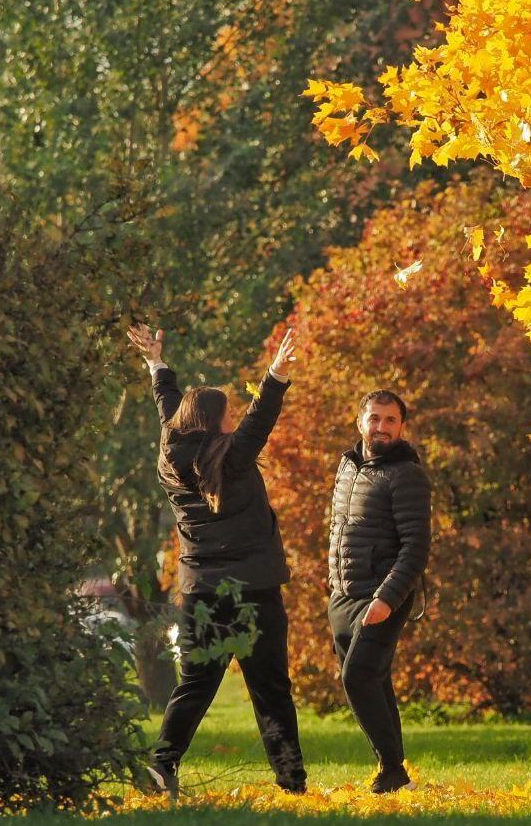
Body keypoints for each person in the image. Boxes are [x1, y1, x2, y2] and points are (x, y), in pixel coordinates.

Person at [127, 323, 306, 799]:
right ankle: (291, 781)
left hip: (202, 591)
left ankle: (162, 766)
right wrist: (276, 374)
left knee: (194, 684)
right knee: (270, 688)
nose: (234, 418)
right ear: (214, 421)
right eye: (228, 413)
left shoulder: (171, 449)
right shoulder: (234, 457)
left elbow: (168, 404)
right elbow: (261, 418)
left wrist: (155, 362)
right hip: (253, 591)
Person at [327, 390, 432, 794]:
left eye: (391, 420)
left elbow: (416, 547)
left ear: (402, 427)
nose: (382, 427)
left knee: (358, 677)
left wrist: (386, 599)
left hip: (382, 596)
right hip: (342, 594)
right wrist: (332, 584)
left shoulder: (407, 475)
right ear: (360, 422)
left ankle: (391, 770)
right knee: (375, 680)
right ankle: (395, 771)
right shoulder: (348, 465)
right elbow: (339, 529)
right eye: (375, 418)